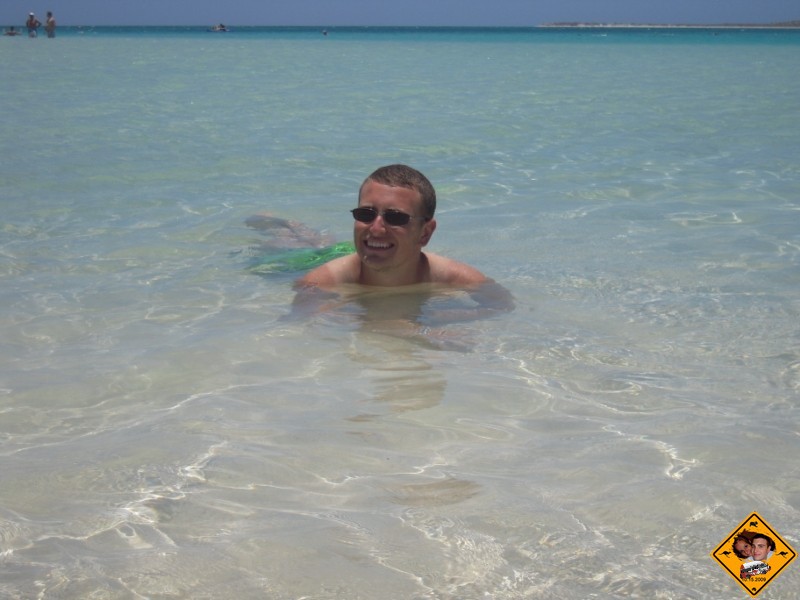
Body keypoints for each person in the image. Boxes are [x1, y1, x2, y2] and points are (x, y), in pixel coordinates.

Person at [296, 164, 490, 289]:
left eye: (395, 218)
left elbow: (499, 310)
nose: (376, 229)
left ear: (425, 233)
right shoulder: (319, 283)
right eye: (366, 214)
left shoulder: (461, 280)